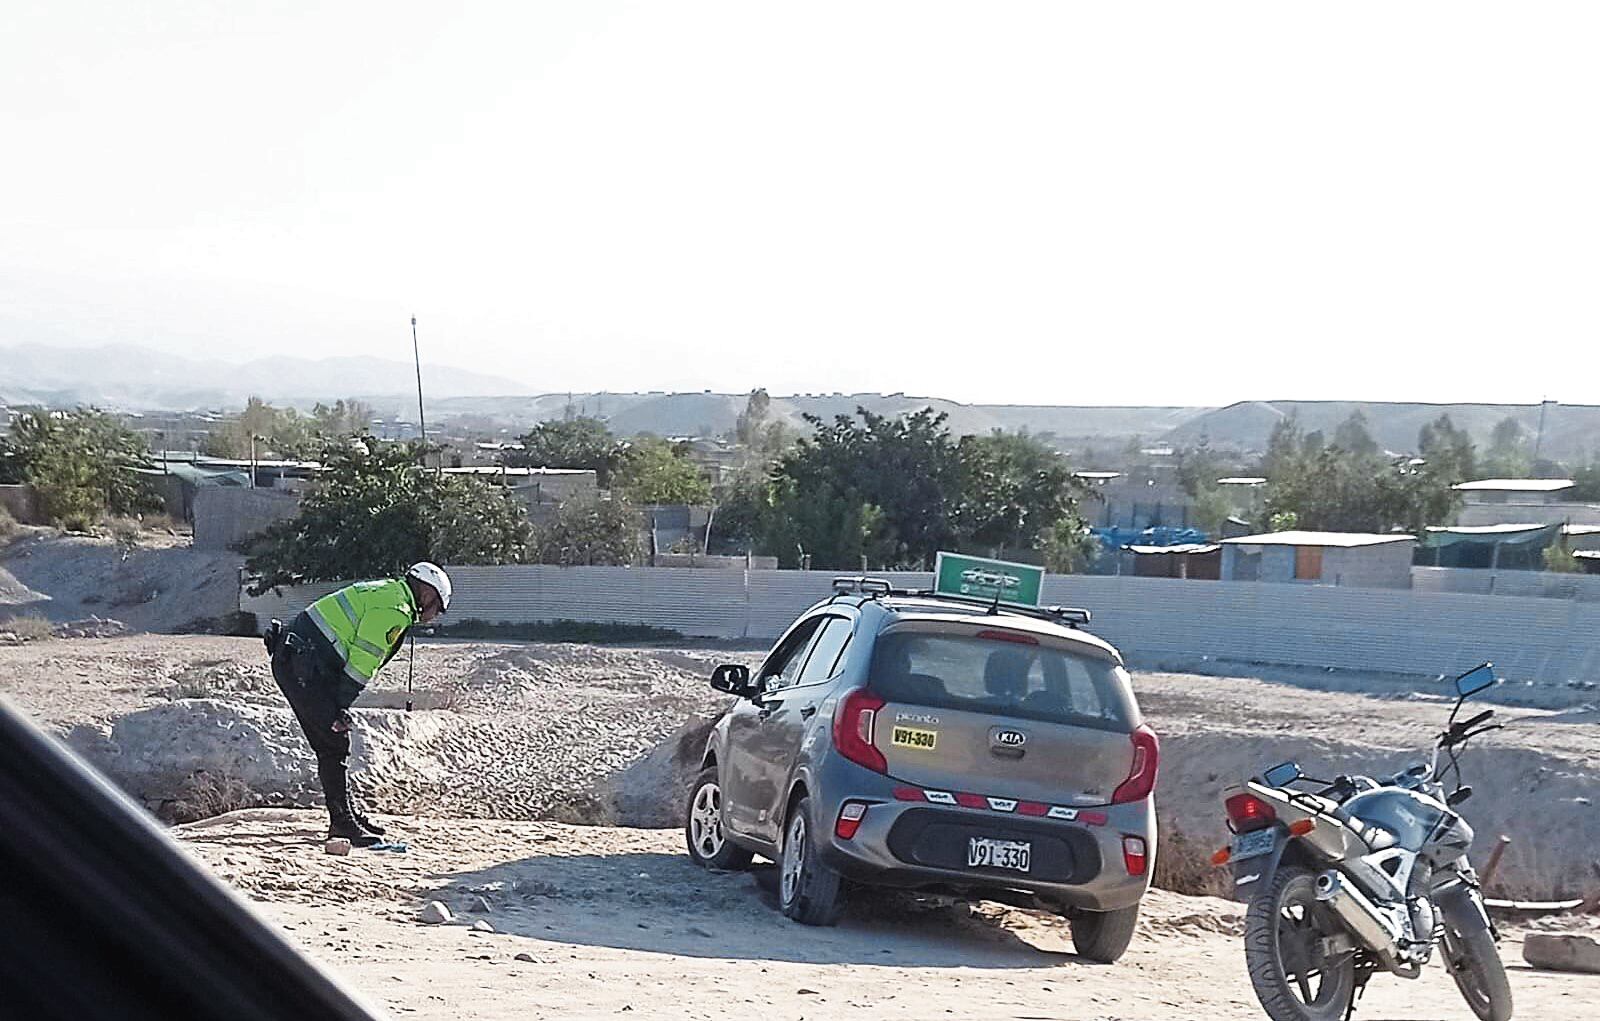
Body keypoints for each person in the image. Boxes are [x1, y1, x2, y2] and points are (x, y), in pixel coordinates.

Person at [263, 562, 452, 847]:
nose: (435, 615)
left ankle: (348, 815)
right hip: (300, 663)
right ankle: (342, 823)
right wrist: (340, 707)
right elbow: (362, 664)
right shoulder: (395, 610)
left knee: (333, 743)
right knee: (334, 742)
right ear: (427, 594)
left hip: (300, 657)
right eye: (438, 608)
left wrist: (338, 706)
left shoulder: (389, 592)